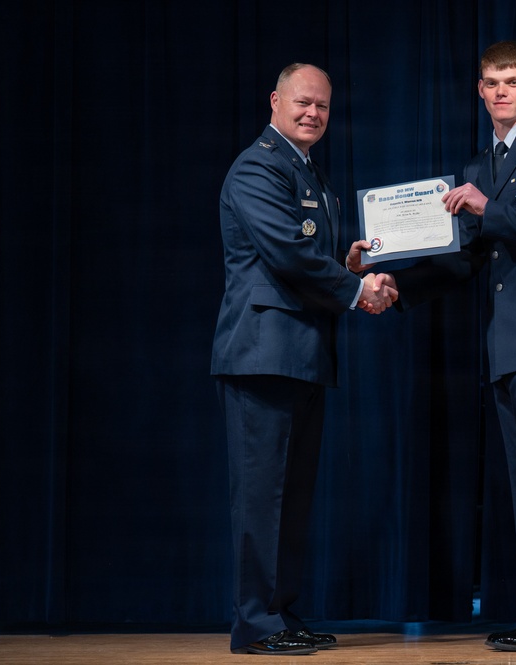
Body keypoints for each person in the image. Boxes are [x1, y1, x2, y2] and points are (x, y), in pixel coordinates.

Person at [367, 41, 516, 652]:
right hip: (509, 346)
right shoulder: (477, 167)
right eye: (491, 82)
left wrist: (487, 207)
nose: (501, 91)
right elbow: (464, 259)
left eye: (512, 81)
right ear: (479, 90)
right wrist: (394, 279)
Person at [211, 63, 396, 656]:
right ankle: (255, 623)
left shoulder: (307, 171)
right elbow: (287, 255)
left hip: (301, 355)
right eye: (302, 102)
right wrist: (355, 292)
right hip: (262, 355)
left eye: (322, 106)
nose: (312, 112)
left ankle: (280, 615)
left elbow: (301, 260)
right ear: (274, 101)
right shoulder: (258, 165)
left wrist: (349, 271)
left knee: (290, 499)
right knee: (262, 498)